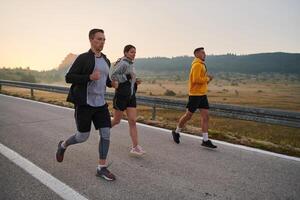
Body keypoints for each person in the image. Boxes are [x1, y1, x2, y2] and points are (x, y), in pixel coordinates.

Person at [56, 29, 117, 181]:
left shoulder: (106, 60)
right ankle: (63, 145)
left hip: (101, 105)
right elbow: (69, 77)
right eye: (99, 39)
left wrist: (112, 84)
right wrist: (89, 77)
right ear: (91, 40)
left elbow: (105, 79)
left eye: (104, 39)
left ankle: (101, 168)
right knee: (82, 136)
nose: (102, 42)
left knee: (106, 133)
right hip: (85, 104)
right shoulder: (83, 58)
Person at [172, 47, 217, 148]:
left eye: (205, 52)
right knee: (188, 116)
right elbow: (196, 79)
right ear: (196, 54)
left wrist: (208, 80)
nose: (205, 54)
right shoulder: (197, 65)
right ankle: (176, 132)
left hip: (202, 95)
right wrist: (207, 78)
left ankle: (205, 140)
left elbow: (202, 81)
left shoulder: (201, 65)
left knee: (206, 117)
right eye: (202, 53)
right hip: (195, 95)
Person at [110, 45, 146, 156]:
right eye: (131, 52)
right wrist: (128, 78)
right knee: (116, 121)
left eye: (135, 52)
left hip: (130, 96)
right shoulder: (123, 63)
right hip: (121, 96)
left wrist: (135, 81)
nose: (134, 54)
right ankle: (104, 130)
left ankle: (135, 147)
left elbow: (129, 77)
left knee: (133, 121)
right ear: (125, 53)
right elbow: (113, 76)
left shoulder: (131, 64)